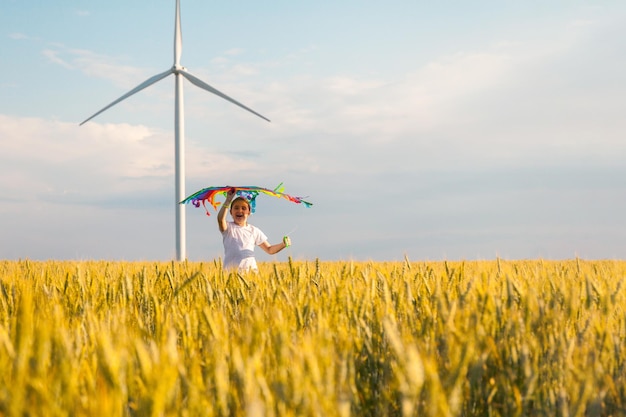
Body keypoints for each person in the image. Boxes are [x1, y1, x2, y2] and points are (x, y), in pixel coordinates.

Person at [217, 189, 291, 272]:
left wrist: (283, 244)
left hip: (251, 272)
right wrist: (228, 200)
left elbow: (269, 249)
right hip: (231, 273)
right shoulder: (228, 228)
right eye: (236, 208)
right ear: (230, 212)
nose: (240, 210)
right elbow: (220, 219)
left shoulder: (254, 230)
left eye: (243, 208)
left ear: (249, 212)